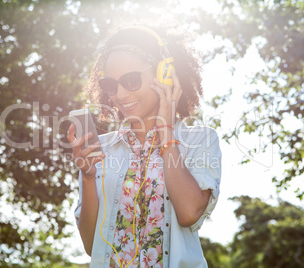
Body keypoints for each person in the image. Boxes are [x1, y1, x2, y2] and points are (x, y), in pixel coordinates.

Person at [67, 23, 222, 268]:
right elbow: (90, 245)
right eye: (110, 85)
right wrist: (88, 177)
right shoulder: (101, 150)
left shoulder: (199, 140)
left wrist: (166, 135)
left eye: (130, 80)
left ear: (164, 74)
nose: (119, 95)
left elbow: (190, 212)